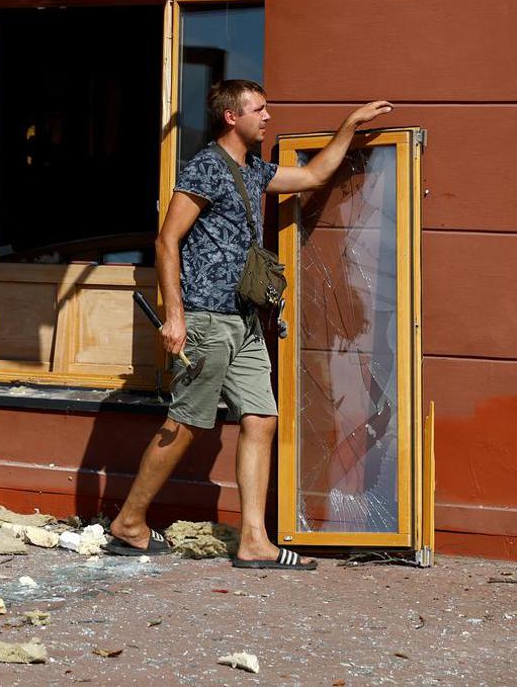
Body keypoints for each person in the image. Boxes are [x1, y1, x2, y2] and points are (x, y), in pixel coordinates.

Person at [107, 80, 392, 569]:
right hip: (205, 319)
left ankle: (254, 540)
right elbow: (166, 241)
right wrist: (175, 315)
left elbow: (314, 176)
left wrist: (349, 126)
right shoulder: (205, 168)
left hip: (244, 321)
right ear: (231, 118)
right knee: (187, 423)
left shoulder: (252, 170)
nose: (268, 116)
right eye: (259, 109)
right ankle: (129, 522)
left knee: (261, 418)